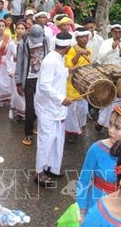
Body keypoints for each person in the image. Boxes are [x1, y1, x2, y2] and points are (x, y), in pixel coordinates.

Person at [76, 105, 121, 218]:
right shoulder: (97, 149)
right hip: (96, 207)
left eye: (117, 128)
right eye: (110, 124)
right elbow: (84, 180)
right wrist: (81, 210)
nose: (110, 130)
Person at [34, 32, 72, 188]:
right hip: (48, 108)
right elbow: (44, 85)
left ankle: (52, 168)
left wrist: (72, 71)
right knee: (46, 140)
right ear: (68, 47)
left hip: (57, 108)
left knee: (57, 139)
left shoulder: (60, 58)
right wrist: (61, 98)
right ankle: (39, 173)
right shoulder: (50, 61)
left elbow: (59, 77)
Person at [96, 23, 121, 131]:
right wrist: (112, 48)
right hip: (108, 75)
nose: (117, 34)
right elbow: (99, 59)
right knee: (106, 99)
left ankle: (115, 124)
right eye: (115, 32)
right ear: (111, 32)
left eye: (119, 32)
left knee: (120, 101)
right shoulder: (105, 43)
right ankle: (101, 121)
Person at [15, 24, 50, 146]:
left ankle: (36, 125)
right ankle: (27, 133)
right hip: (28, 78)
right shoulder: (23, 44)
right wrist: (18, 82)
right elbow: (19, 63)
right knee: (30, 107)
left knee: (42, 105)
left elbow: (47, 57)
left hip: (42, 78)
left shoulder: (45, 41)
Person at [64, 27, 92, 143]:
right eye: (82, 37)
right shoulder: (71, 50)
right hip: (72, 82)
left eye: (86, 37)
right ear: (77, 38)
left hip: (84, 84)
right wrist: (79, 53)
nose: (84, 39)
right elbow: (70, 64)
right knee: (71, 110)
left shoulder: (88, 50)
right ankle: (71, 132)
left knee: (82, 109)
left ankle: (79, 127)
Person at [9, 21, 28, 120]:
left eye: (22, 29)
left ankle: (25, 110)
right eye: (18, 28)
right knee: (15, 90)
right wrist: (10, 70)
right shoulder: (12, 43)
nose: (20, 30)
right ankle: (17, 109)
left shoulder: (27, 43)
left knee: (24, 89)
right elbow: (9, 57)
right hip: (14, 67)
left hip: (24, 68)